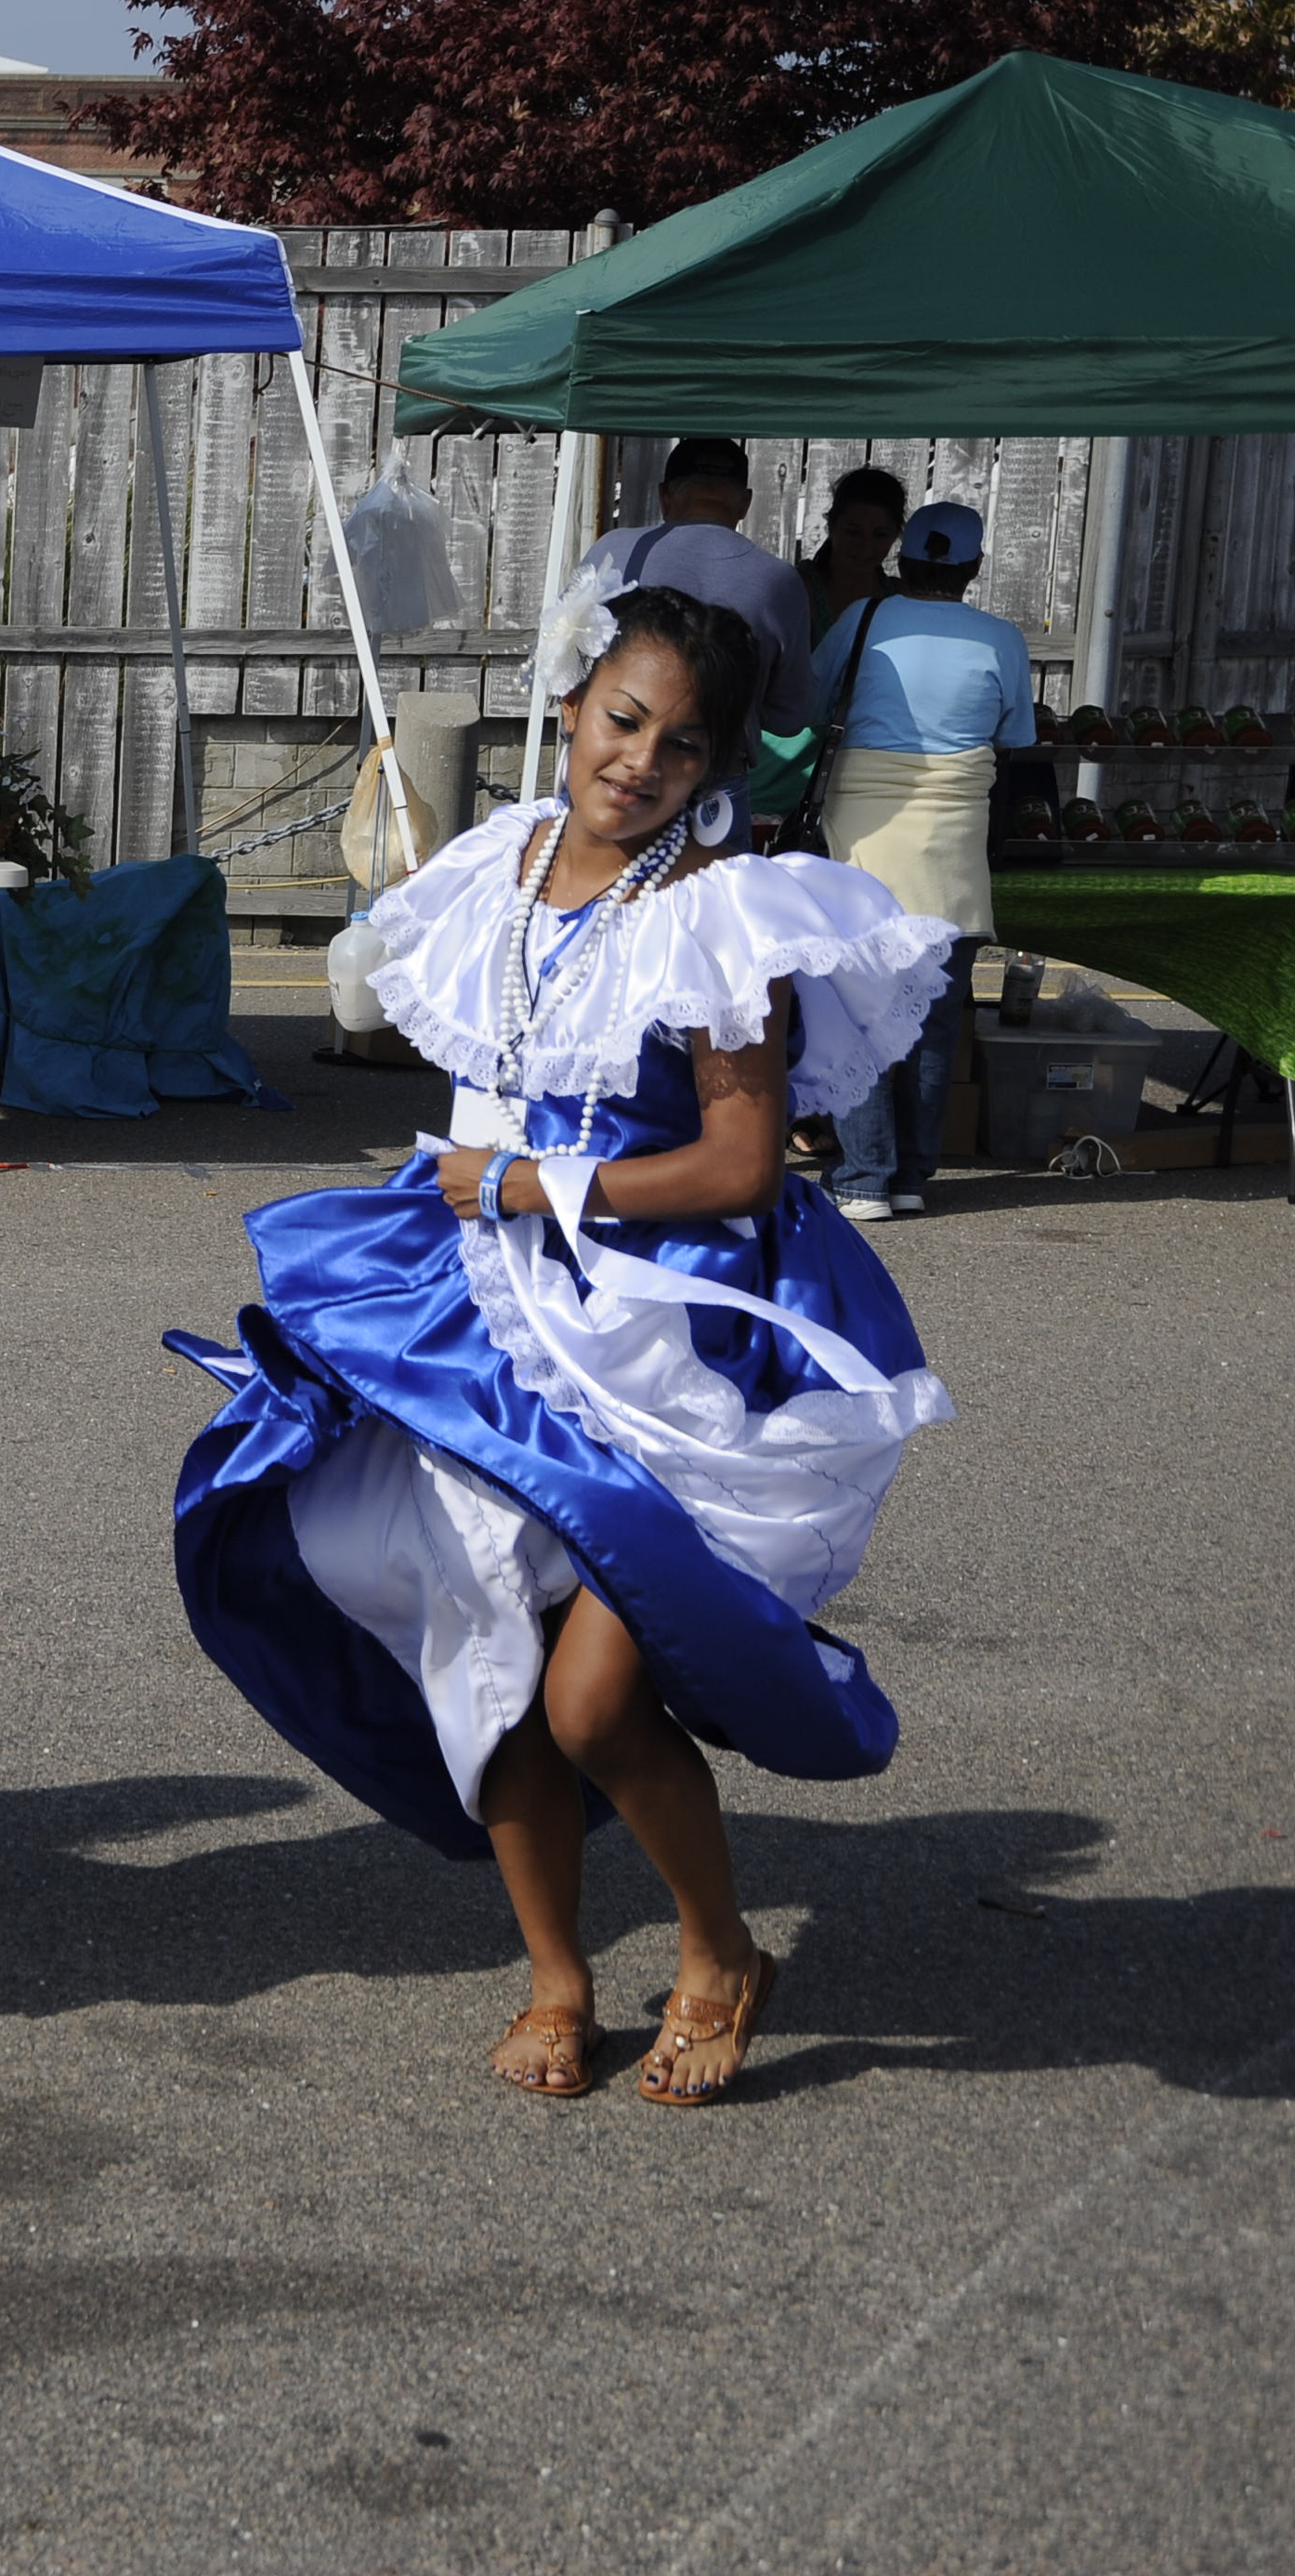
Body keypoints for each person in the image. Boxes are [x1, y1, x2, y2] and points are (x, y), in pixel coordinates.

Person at [168, 582, 959, 2110]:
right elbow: (476, 1068)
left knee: (595, 1698)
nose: (638, 761)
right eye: (619, 719)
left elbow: (743, 1163)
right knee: (487, 1658)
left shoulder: (717, 914)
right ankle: (555, 1974)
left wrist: (539, 1180)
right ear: (574, 698)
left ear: (716, 764)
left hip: (665, 1334)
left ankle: (717, 1951)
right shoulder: (491, 864)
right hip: (474, 1322)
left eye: (678, 744)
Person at [809, 500, 1029, 1220]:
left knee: (858, 1012)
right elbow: (1015, 735)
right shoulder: (1002, 639)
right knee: (934, 1023)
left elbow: (811, 704)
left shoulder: (863, 620)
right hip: (954, 849)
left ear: (903, 562)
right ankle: (910, 1177)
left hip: (863, 842)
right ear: (972, 568)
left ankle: (863, 1176)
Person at [576, 438, 815, 752]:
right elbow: (791, 715)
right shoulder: (778, 579)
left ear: (664, 496)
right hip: (717, 772)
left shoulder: (612, 550)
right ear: (745, 503)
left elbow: (565, 668)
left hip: (617, 762)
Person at [800, 464, 908, 644]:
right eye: (853, 532)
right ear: (831, 526)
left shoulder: (902, 598)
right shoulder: (798, 590)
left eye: (880, 535)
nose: (866, 547)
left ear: (896, 535)